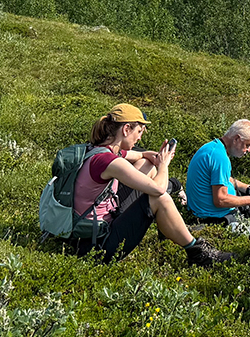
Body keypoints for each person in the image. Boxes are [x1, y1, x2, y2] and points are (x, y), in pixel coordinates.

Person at [72, 103, 229, 265]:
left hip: (87, 233)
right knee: (160, 198)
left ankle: (169, 226)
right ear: (126, 129)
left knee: (146, 164)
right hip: (97, 246)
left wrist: (151, 156)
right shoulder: (110, 161)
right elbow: (159, 190)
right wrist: (163, 164)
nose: (140, 137)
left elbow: (135, 155)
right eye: (138, 131)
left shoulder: (98, 150)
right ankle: (198, 253)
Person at [184, 119, 250, 224]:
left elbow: (222, 179)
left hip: (199, 208)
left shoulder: (212, 147)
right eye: (247, 145)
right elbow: (220, 200)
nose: (248, 150)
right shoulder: (220, 158)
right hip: (213, 214)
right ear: (237, 139)